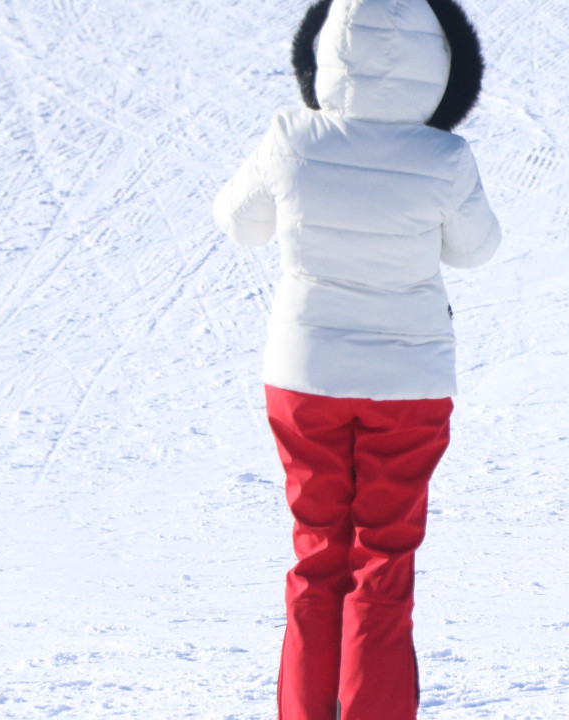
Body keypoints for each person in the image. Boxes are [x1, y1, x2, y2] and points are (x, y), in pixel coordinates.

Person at [212, 0, 499, 717]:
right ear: (443, 64)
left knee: (317, 556)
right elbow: (477, 249)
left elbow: (239, 223)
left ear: (325, 52)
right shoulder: (444, 157)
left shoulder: (292, 136)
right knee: (384, 561)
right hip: (408, 383)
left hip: (305, 375)